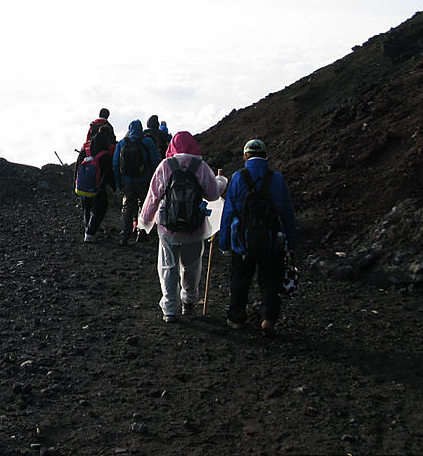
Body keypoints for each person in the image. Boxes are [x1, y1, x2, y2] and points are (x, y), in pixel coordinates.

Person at [138, 131, 227, 322]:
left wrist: (145, 221)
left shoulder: (166, 166)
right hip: (195, 227)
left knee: (168, 266)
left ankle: (169, 309)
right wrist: (221, 182)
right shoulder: (200, 166)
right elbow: (212, 195)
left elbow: (153, 196)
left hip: (168, 228)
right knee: (191, 266)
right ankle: (189, 303)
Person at [218, 139, 297, 337]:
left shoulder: (238, 177)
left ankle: (236, 318)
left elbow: (228, 212)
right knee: (270, 279)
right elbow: (287, 212)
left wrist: (224, 242)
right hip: (272, 241)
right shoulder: (277, 179)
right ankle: (268, 318)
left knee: (240, 278)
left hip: (242, 242)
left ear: (246, 156)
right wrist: (292, 242)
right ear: (265, 155)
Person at [113, 120, 160, 246]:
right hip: (144, 180)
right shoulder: (147, 142)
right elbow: (155, 162)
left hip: (127, 181)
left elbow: (116, 165)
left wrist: (118, 182)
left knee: (127, 207)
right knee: (144, 206)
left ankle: (124, 236)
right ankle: (142, 232)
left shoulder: (122, 143)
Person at [74, 127, 116, 243]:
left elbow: (77, 168)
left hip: (82, 187)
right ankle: (90, 232)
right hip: (98, 188)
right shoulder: (104, 155)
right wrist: (113, 187)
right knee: (99, 210)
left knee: (86, 209)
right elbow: (108, 174)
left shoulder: (84, 152)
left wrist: (75, 183)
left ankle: (88, 229)